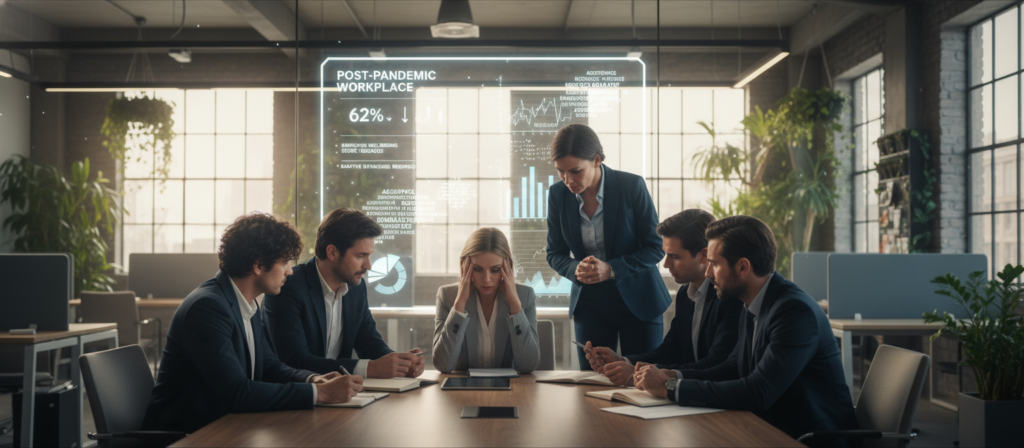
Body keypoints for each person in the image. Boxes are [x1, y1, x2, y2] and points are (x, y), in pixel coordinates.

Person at [633, 215, 858, 445]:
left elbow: (758, 391)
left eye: (715, 263)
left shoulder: (794, 312)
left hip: (809, 439)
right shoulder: (751, 301)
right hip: (769, 428)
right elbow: (732, 368)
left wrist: (671, 387)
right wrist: (671, 376)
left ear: (742, 267)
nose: (708, 273)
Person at [143, 213, 363, 433]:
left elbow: (269, 366)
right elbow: (237, 393)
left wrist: (314, 380)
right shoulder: (207, 308)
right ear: (258, 265)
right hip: (188, 435)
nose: (289, 271)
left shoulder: (246, 304)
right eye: (285, 262)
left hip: (228, 428)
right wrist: (321, 394)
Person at [545, 123, 671, 369]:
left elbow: (656, 246)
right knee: (594, 382)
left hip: (639, 301)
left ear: (597, 160)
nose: (568, 180)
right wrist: (575, 268)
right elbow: (555, 253)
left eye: (575, 171)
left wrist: (611, 269)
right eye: (560, 171)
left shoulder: (631, 186)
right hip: (590, 305)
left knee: (643, 378)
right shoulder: (557, 195)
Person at [585, 209, 742, 386]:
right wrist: (623, 361)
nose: (666, 264)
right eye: (666, 254)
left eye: (674, 256)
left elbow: (717, 364)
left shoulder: (730, 297)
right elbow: (670, 351)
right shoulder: (685, 293)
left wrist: (647, 375)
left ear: (704, 255)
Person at [264, 208, 424, 378]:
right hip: (298, 396)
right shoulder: (288, 287)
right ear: (332, 252)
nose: (368, 266)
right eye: (361, 256)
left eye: (369, 255)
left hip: (342, 395)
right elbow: (294, 360)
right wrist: (369, 369)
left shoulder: (356, 287)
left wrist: (401, 363)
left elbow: (370, 344)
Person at [433, 227, 541, 373]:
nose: (486, 279)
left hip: (512, 391)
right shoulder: (447, 296)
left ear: (507, 266)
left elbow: (528, 366)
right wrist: (459, 305)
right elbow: (443, 365)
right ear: (465, 265)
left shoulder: (525, 296)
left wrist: (515, 306)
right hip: (462, 390)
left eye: (495, 270)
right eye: (478, 269)